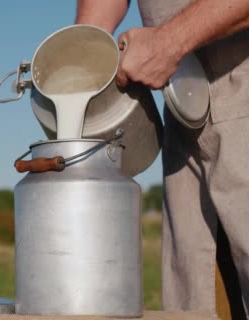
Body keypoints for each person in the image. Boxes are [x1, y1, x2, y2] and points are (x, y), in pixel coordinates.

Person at [74, 0, 249, 317]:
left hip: (239, 75)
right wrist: (87, 45)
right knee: (195, 297)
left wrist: (170, 40)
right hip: (183, 99)